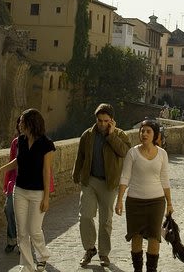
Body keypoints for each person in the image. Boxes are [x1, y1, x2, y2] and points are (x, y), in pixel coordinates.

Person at [0, 108, 55, 272]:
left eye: (21, 121)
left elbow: (47, 172)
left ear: (30, 123)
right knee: (22, 232)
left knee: (34, 230)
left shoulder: (46, 144)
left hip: (38, 193)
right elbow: (18, 161)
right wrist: (1, 169)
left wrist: (46, 198)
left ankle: (43, 255)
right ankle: (27, 265)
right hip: (19, 190)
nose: (19, 124)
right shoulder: (21, 140)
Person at [72, 103, 132, 268]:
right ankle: (90, 249)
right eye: (100, 120)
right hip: (90, 181)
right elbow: (81, 157)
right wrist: (76, 175)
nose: (102, 124)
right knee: (85, 216)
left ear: (112, 120)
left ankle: (104, 253)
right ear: (96, 119)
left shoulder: (120, 135)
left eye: (106, 121)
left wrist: (111, 136)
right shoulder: (87, 135)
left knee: (105, 220)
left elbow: (125, 153)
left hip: (109, 183)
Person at [115, 120, 174, 272]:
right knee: (136, 235)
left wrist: (169, 203)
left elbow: (165, 179)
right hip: (135, 201)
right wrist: (119, 200)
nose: (144, 134)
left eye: (148, 131)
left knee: (155, 236)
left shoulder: (162, 154)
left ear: (155, 134)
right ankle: (137, 270)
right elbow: (125, 177)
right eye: (142, 131)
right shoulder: (132, 153)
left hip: (156, 201)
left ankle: (151, 270)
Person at [3, 115, 22, 253]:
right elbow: (12, 162)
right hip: (14, 182)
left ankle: (23, 242)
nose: (21, 125)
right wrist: (6, 184)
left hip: (30, 186)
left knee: (25, 215)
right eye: (20, 123)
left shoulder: (38, 142)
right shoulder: (15, 142)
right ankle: (12, 239)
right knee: (8, 209)